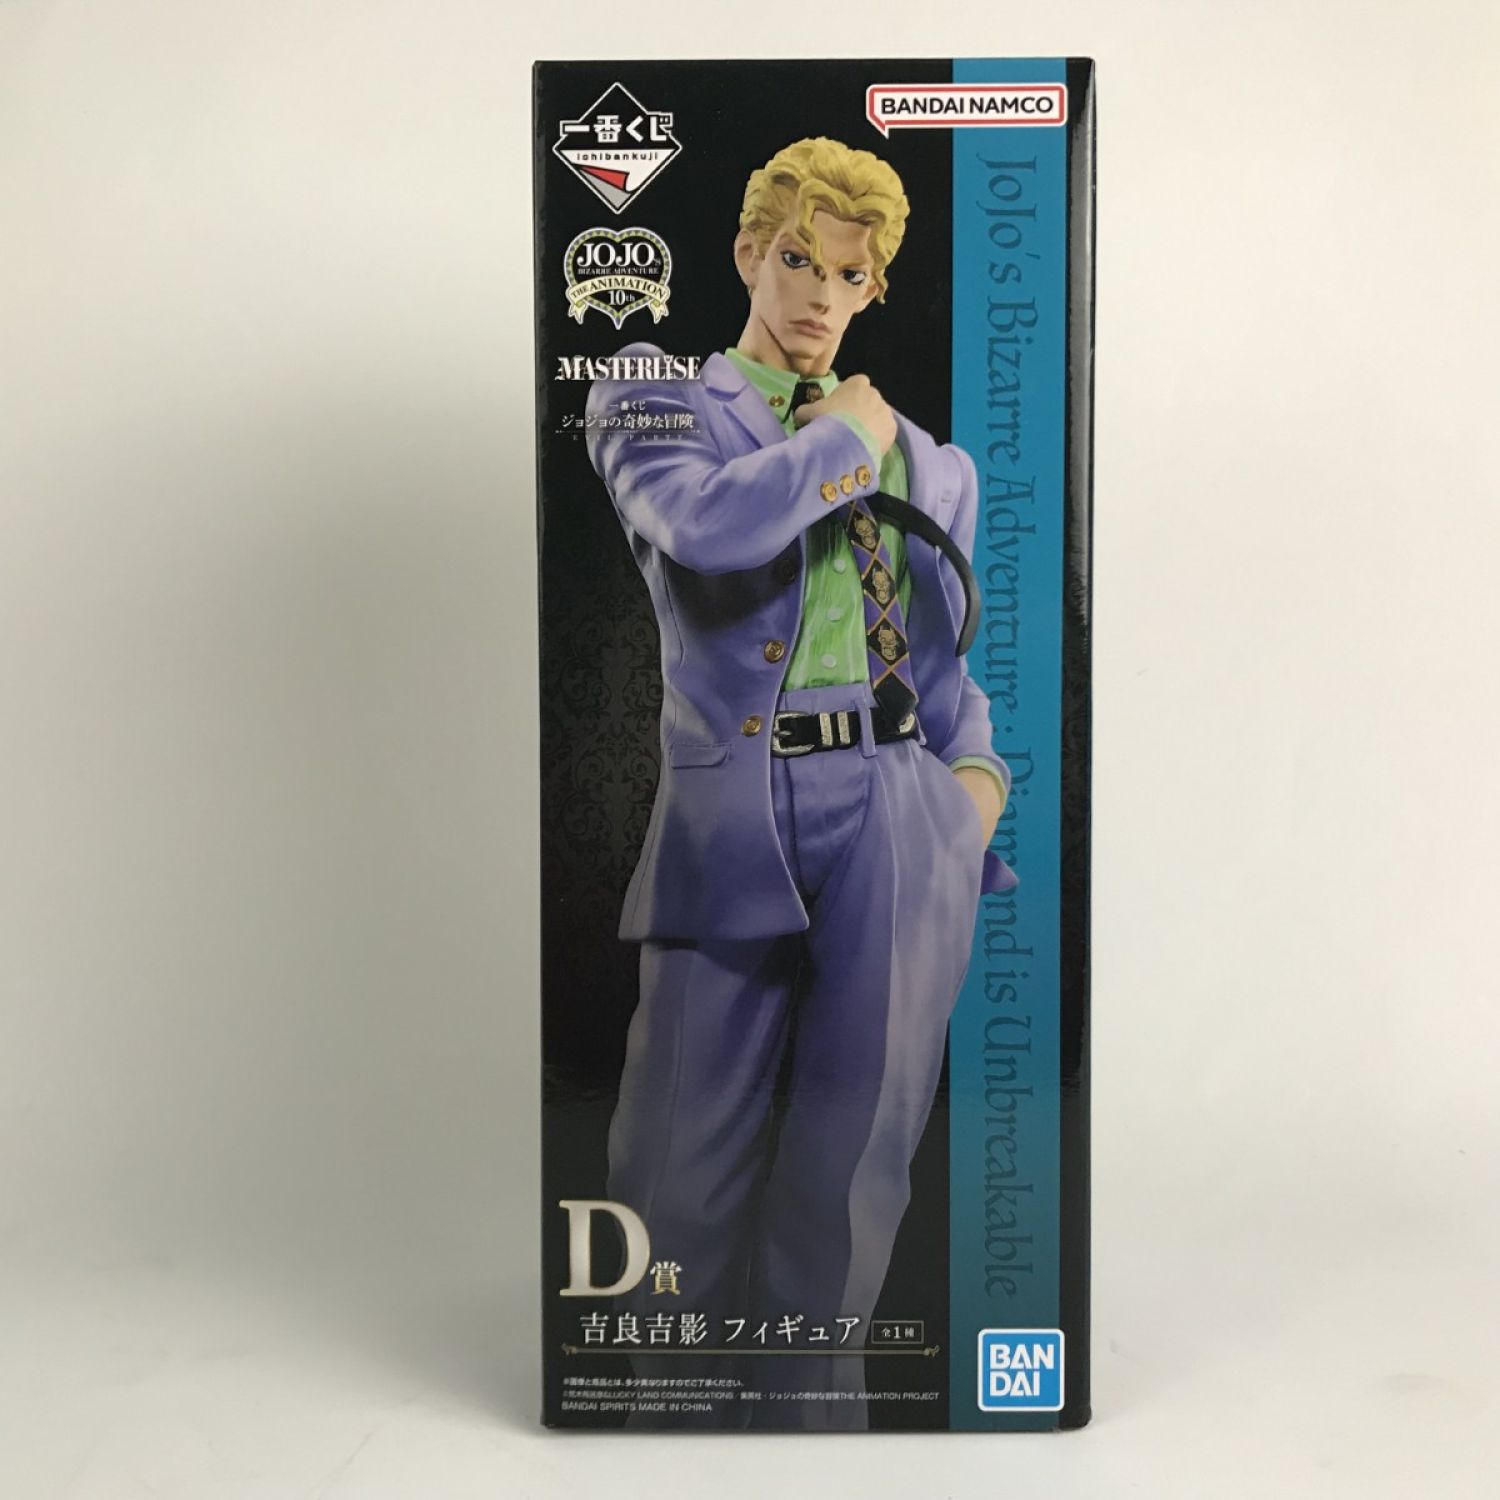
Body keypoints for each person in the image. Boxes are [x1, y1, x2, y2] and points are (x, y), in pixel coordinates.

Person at [584, 136, 1015, 1430]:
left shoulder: (935, 463)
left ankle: (810, 1439)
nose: (822, 294)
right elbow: (709, 530)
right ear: (746, 253)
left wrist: (972, 788)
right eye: (797, 259)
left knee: (854, 1169)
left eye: (851, 274)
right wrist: (845, 440)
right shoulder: (656, 399)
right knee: (674, 1162)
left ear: (876, 286)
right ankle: (659, 1425)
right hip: (734, 808)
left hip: (897, 804)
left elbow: (943, 666)